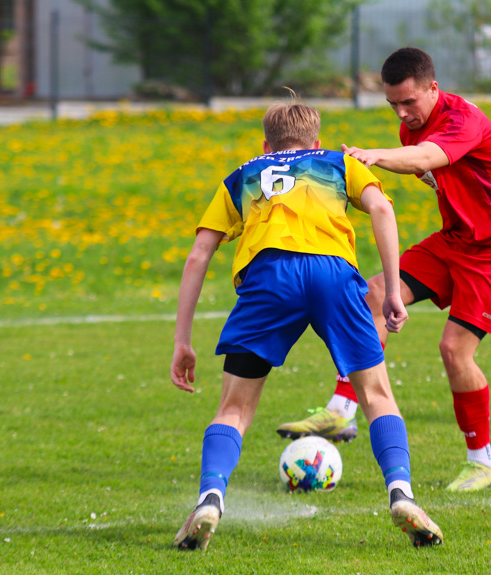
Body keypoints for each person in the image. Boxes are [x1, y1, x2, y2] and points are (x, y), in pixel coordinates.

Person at [170, 95, 443, 550]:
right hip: (333, 274)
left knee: (234, 408)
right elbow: (381, 209)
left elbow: (200, 253)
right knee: (376, 395)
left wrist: (182, 339)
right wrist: (393, 290)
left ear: (266, 144)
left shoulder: (244, 174)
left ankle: (210, 500)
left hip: (268, 277)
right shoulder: (338, 161)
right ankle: (401, 493)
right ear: (315, 140)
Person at [277, 47, 491, 492]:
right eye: (393, 105)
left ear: (433, 88)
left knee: (454, 351)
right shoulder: (411, 129)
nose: (403, 113)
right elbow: (442, 170)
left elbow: (425, 159)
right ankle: (342, 412)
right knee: (372, 295)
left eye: (409, 102)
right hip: (459, 237)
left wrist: (370, 156)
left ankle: (483, 461)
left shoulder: (462, 119)